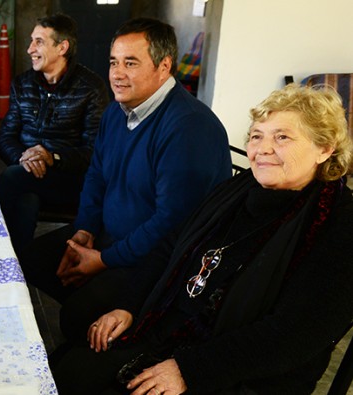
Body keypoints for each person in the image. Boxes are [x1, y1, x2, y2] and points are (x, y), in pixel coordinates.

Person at [54, 83, 353, 395]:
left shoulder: (340, 224)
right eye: (256, 136)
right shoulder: (237, 190)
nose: (262, 149)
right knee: (71, 371)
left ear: (324, 148)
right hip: (171, 327)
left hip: (237, 370)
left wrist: (191, 370)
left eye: (282, 137)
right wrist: (128, 306)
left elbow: (295, 334)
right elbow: (171, 245)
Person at [19, 18, 231, 343]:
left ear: (164, 66)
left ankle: (124, 334)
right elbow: (96, 176)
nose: (117, 74)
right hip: (110, 238)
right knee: (31, 261)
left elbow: (170, 224)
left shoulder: (189, 127)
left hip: (158, 260)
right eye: (113, 62)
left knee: (76, 314)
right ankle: (100, 327)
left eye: (130, 63)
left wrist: (103, 261)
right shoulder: (116, 112)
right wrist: (84, 231)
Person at [0, 14, 109, 251]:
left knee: (11, 178)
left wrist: (53, 157)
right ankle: (21, 263)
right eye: (31, 41)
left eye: (39, 42)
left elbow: (95, 151)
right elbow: (5, 137)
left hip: (70, 180)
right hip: (26, 172)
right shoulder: (22, 84)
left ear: (62, 47)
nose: (30, 49)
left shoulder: (91, 88)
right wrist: (25, 158)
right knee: (26, 199)